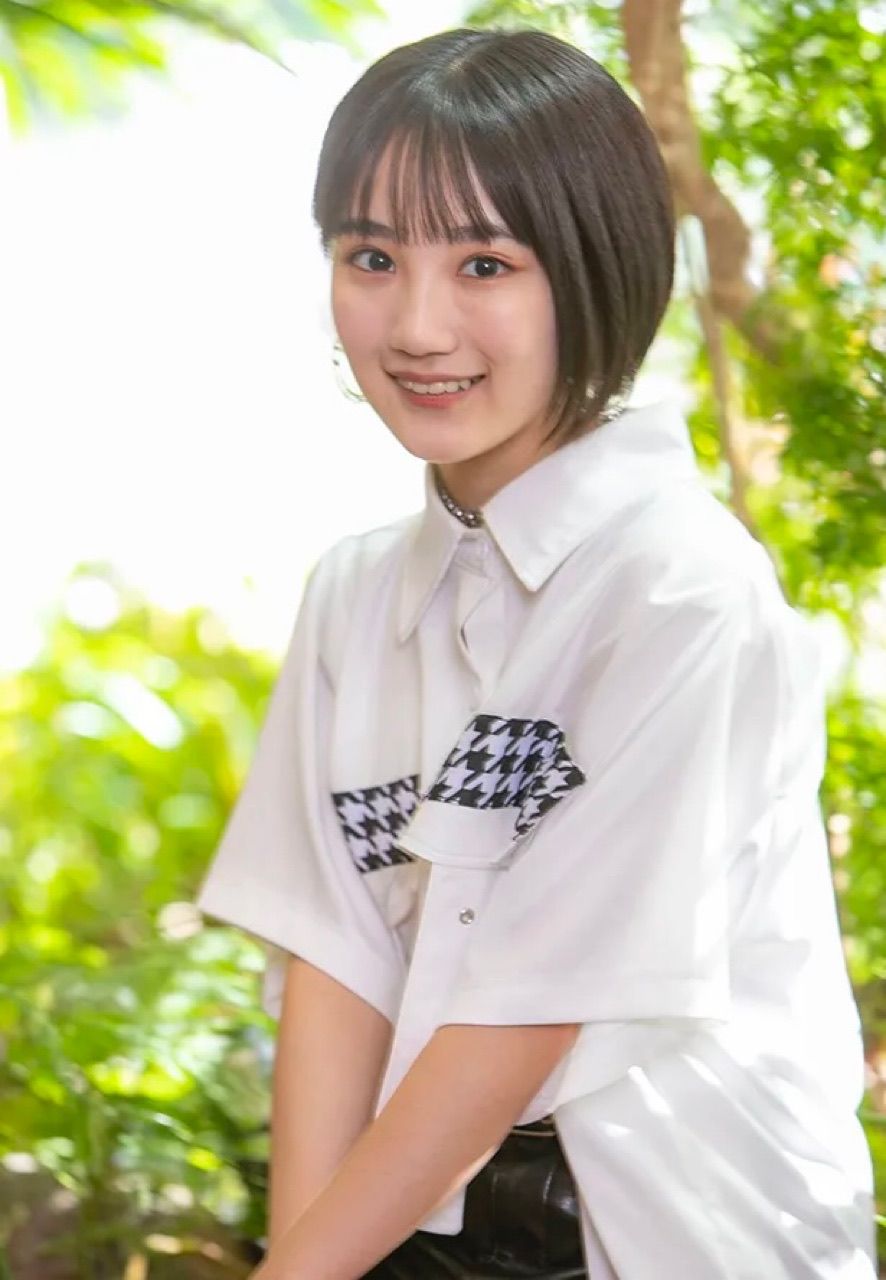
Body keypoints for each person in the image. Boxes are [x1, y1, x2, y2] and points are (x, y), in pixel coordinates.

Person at [193, 25, 877, 1280]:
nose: (417, 324)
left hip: (673, 1228)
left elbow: (524, 1011)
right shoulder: (354, 594)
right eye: (371, 256)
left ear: (597, 268)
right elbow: (338, 966)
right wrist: (299, 1259)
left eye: (485, 263)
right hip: (421, 1217)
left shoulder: (679, 591)